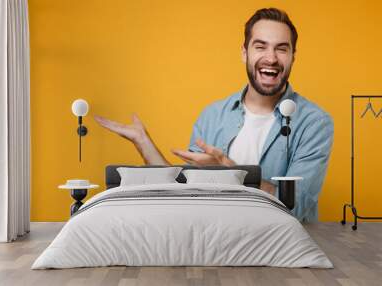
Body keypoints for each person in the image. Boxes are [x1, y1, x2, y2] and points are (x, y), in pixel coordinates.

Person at [94, 8, 334, 222]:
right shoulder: (212, 116)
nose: (271, 58)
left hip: (279, 249)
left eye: (281, 49)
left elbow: (296, 207)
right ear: (244, 53)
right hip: (214, 243)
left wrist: (229, 171)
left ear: (293, 55)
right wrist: (144, 143)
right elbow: (185, 194)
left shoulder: (314, 123)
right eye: (260, 46)